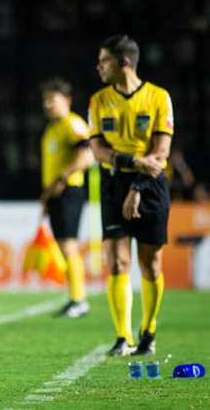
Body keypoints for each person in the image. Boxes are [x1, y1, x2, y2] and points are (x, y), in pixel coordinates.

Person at [88, 35, 173, 356]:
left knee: (150, 264)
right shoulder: (98, 100)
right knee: (117, 261)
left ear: (123, 63)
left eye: (104, 61)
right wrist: (133, 161)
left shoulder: (158, 98)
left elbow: (161, 152)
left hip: (150, 186)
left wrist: (137, 187)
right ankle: (123, 337)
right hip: (113, 184)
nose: (99, 67)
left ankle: (148, 330)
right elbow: (98, 149)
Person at [39, 78, 94, 318]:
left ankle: (79, 300)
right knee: (63, 246)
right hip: (56, 194)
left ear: (67, 101)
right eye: (46, 100)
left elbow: (86, 157)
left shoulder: (73, 124)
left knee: (69, 245)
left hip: (70, 191)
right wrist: (47, 194)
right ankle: (74, 297)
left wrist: (62, 180)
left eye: (53, 99)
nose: (48, 104)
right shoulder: (52, 129)